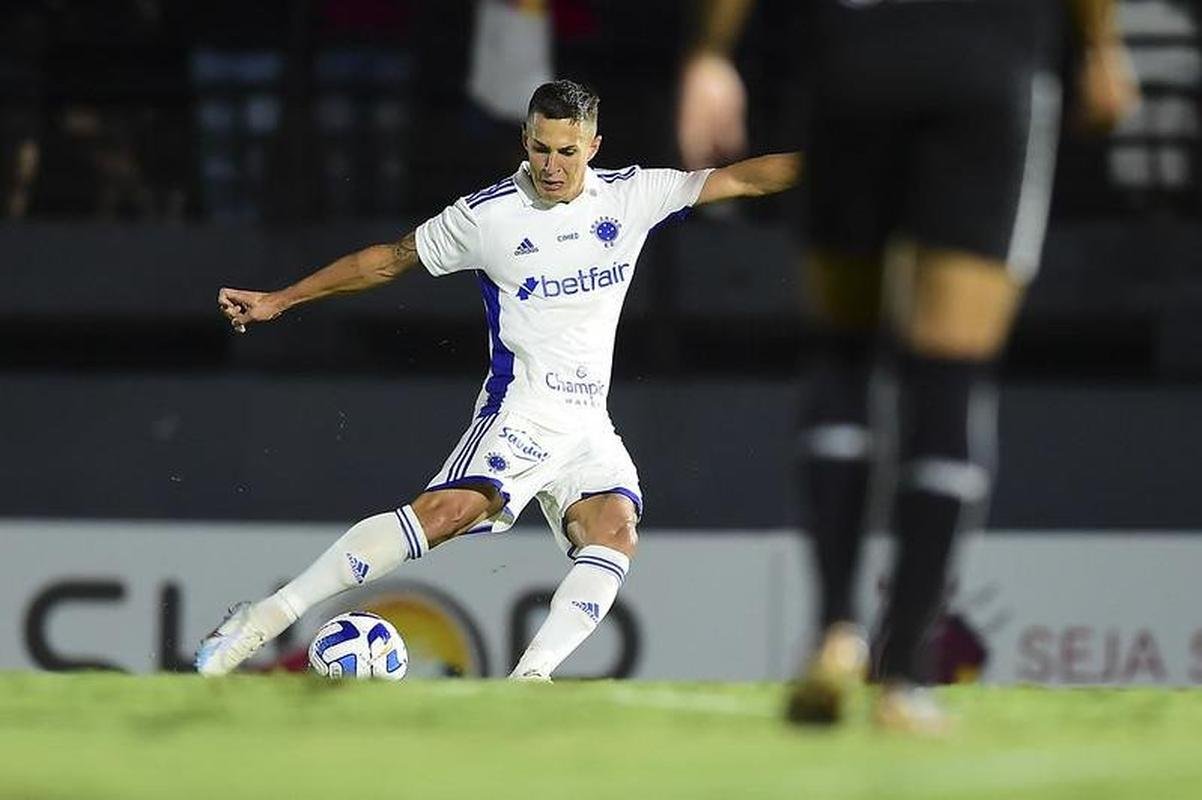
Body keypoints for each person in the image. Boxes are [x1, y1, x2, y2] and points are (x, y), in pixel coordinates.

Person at [197, 79, 800, 680]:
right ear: (525, 139)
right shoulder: (488, 216)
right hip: (521, 409)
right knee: (443, 516)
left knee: (615, 531)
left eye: (567, 151)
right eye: (540, 148)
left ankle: (527, 681)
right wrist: (281, 299)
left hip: (589, 422)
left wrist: (840, 165)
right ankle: (264, 621)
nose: (551, 165)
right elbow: (388, 259)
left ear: (593, 145)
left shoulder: (632, 195)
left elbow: (743, 178)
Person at [678, 0, 1137, 729]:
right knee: (949, 372)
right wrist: (1102, 46)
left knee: (842, 352)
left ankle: (834, 632)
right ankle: (903, 674)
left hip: (854, 55)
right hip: (989, 59)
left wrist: (711, 52)